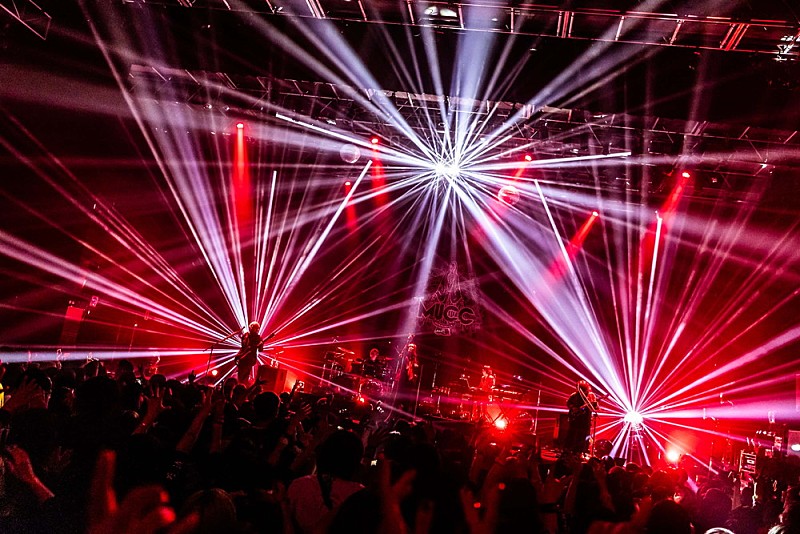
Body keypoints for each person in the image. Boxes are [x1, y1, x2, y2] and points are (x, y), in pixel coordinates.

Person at [564, 380, 597, 455]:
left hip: (585, 420)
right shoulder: (574, 395)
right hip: (575, 419)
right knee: (571, 434)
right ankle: (567, 450)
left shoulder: (591, 396)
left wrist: (594, 405)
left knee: (582, 436)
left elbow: (595, 408)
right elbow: (568, 403)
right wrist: (573, 408)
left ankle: (579, 452)